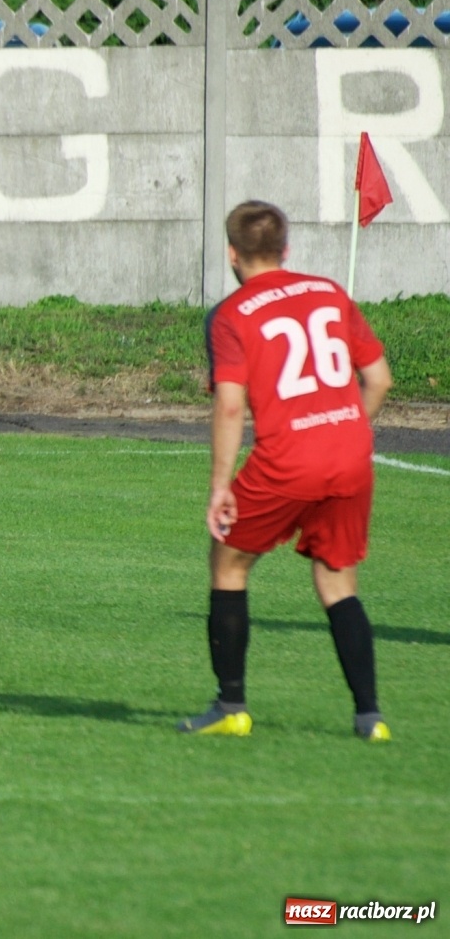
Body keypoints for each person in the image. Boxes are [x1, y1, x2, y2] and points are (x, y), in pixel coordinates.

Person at [179, 200, 393, 741]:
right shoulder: (329, 291)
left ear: (232, 253)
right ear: (286, 250)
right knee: (338, 581)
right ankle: (370, 718)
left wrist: (219, 486)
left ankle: (231, 707)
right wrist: (344, 429)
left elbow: (230, 405)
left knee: (228, 564)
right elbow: (380, 379)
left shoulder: (230, 315)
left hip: (286, 461)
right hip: (349, 454)